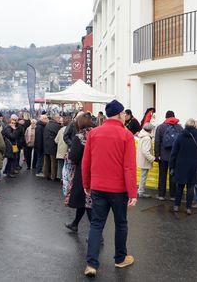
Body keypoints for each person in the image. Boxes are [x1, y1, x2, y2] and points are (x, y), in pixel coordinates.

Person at [82, 100, 137, 278]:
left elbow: (86, 163)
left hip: (98, 187)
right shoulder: (126, 135)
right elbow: (129, 167)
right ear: (120, 114)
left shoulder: (94, 133)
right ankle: (120, 258)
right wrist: (132, 192)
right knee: (121, 223)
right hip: (119, 189)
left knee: (96, 224)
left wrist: (86, 184)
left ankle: (91, 264)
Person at [169, 118, 197, 215]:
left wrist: (171, 166)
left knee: (180, 186)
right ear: (195, 126)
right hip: (194, 166)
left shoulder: (180, 137)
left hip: (180, 165)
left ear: (185, 126)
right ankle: (188, 208)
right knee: (190, 187)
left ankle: (176, 205)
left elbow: (174, 153)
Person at [65, 112, 93, 233]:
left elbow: (74, 157)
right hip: (95, 170)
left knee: (86, 201)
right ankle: (75, 223)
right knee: (84, 200)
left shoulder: (79, 137)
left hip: (82, 172)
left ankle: (96, 233)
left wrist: (68, 155)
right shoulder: (96, 134)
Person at [154, 110, 183, 201]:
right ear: (174, 117)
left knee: (162, 175)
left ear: (166, 117)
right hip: (175, 157)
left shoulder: (160, 127)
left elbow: (157, 142)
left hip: (163, 156)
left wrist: (157, 155)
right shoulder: (179, 128)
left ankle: (161, 195)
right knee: (173, 175)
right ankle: (173, 196)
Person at [136, 123, 155, 198]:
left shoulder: (142, 135)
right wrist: (152, 158)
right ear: (150, 130)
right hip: (145, 160)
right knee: (143, 176)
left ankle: (140, 191)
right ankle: (141, 192)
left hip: (141, 159)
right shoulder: (147, 138)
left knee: (142, 176)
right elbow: (146, 151)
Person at [43, 115, 61, 180]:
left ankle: (46, 174)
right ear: (56, 118)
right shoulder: (57, 126)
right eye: (59, 118)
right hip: (53, 146)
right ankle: (54, 176)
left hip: (46, 146)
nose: (60, 119)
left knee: (46, 162)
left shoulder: (47, 125)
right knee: (54, 162)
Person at [55, 116, 71, 180]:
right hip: (67, 150)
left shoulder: (60, 130)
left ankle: (60, 177)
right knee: (67, 165)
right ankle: (66, 178)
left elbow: (56, 140)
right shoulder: (71, 130)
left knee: (60, 165)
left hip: (60, 150)